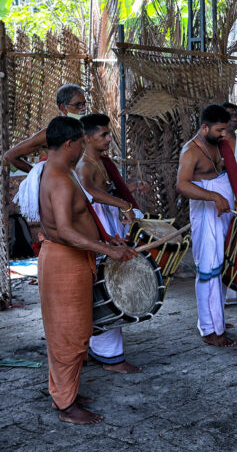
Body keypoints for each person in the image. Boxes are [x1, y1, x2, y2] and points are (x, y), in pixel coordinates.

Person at [37, 116, 135, 424]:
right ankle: (66, 406)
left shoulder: (60, 172)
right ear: (70, 144)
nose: (84, 146)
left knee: (74, 331)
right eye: (81, 141)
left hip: (72, 260)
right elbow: (65, 230)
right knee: (69, 335)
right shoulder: (59, 178)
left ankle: (65, 393)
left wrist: (107, 239)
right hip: (65, 261)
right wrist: (108, 251)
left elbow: (81, 217)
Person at [176, 104, 237, 347]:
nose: (224, 135)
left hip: (224, 213)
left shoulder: (220, 145)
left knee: (223, 268)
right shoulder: (191, 151)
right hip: (207, 216)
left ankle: (218, 320)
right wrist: (214, 197)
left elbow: (231, 177)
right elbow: (182, 185)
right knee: (208, 271)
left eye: (226, 130)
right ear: (204, 127)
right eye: (219, 130)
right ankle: (209, 329)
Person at [76, 114, 149, 373]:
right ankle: (111, 357)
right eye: (103, 135)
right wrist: (123, 204)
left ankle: (98, 347)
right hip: (98, 227)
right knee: (109, 286)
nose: (108, 139)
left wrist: (126, 193)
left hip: (108, 224)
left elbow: (104, 191)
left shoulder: (100, 161)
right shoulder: (84, 164)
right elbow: (89, 193)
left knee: (109, 284)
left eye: (108, 134)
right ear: (86, 138)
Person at [4, 84, 86, 173]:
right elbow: (10, 156)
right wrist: (39, 175)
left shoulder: (88, 128)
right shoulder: (52, 133)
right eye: (78, 105)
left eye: (84, 104)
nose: (84, 108)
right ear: (63, 108)